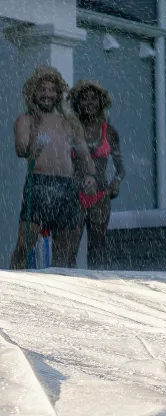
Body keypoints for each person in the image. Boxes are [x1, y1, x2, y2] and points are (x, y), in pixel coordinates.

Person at [11, 66, 97, 269]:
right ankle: (11, 286)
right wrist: (33, 147)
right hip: (39, 184)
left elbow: (85, 155)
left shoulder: (69, 123)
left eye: (52, 90)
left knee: (65, 250)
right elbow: (20, 149)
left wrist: (91, 176)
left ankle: (58, 293)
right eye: (42, 89)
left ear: (58, 94)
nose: (47, 94)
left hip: (67, 186)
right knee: (25, 244)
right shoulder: (27, 120)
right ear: (33, 92)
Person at [69, 79, 125, 268]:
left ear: (101, 103)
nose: (89, 103)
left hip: (101, 195)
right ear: (77, 103)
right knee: (69, 249)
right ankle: (66, 289)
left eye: (94, 99)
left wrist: (115, 184)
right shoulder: (69, 130)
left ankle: (96, 289)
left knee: (98, 248)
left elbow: (120, 168)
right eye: (84, 99)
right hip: (73, 194)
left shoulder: (109, 132)